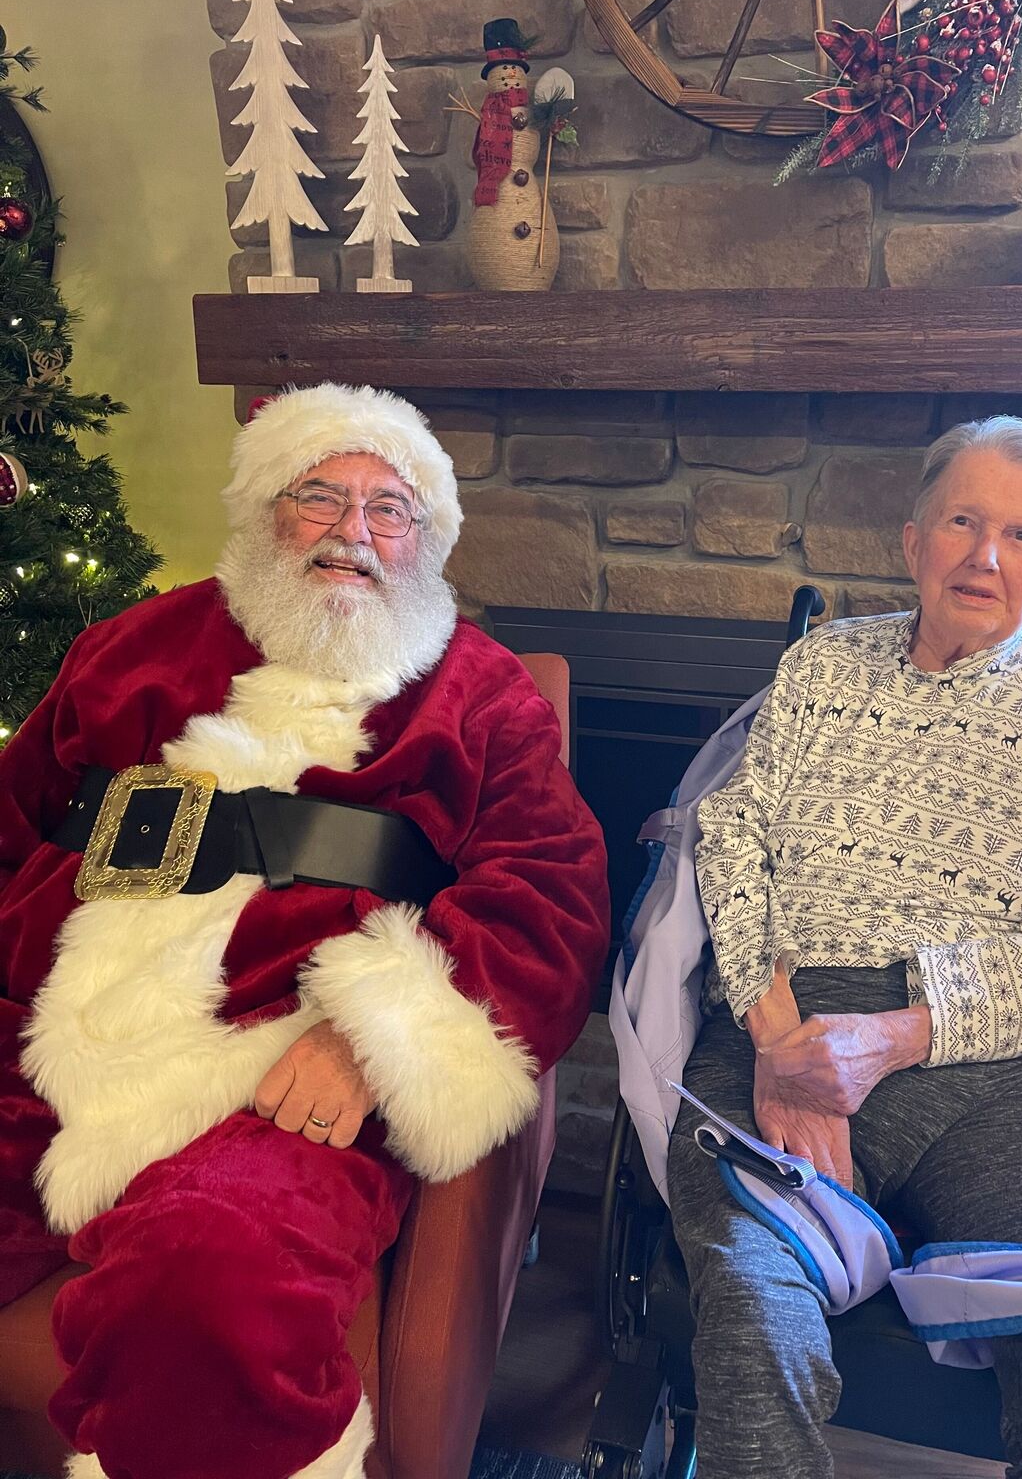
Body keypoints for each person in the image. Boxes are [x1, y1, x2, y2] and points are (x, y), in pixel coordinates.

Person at [0, 382, 609, 1479]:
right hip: (39, 1038)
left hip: (281, 1070)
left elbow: (550, 896)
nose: (352, 532)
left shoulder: (480, 694)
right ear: (262, 511)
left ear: (425, 540)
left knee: (211, 1276)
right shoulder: (128, 647)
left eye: (389, 508)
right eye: (318, 495)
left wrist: (376, 1041)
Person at [671, 416, 1022, 1479]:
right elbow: (731, 836)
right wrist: (778, 1041)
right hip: (780, 1036)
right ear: (913, 543)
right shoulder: (821, 668)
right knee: (755, 1316)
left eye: (1020, 535)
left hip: (997, 1082)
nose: (985, 556)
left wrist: (902, 1035)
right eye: (961, 522)